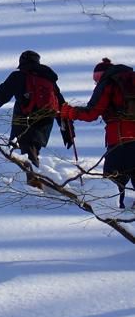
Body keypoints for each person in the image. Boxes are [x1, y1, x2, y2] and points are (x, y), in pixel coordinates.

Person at [0, 50, 74, 187]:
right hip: (46, 120)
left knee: (25, 150)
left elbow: (3, 92)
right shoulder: (49, 79)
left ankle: (34, 184)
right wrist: (68, 131)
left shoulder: (19, 76)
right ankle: (34, 180)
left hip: (25, 119)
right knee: (31, 149)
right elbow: (60, 104)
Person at [61, 58, 135, 209]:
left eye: (96, 80)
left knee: (111, 184)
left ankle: (112, 217)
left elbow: (91, 113)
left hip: (121, 140)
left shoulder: (108, 83)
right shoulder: (130, 80)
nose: (96, 83)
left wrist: (70, 112)